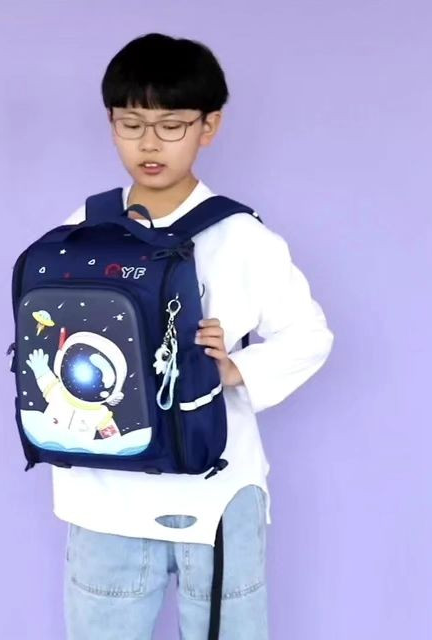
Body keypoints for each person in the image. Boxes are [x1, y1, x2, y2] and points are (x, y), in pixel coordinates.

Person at [55, 32, 335, 639]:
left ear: (210, 126)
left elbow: (309, 335)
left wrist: (237, 368)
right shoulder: (82, 227)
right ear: (110, 124)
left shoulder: (241, 236)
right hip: (103, 493)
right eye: (131, 125)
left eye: (172, 125)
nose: (149, 143)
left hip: (215, 495)